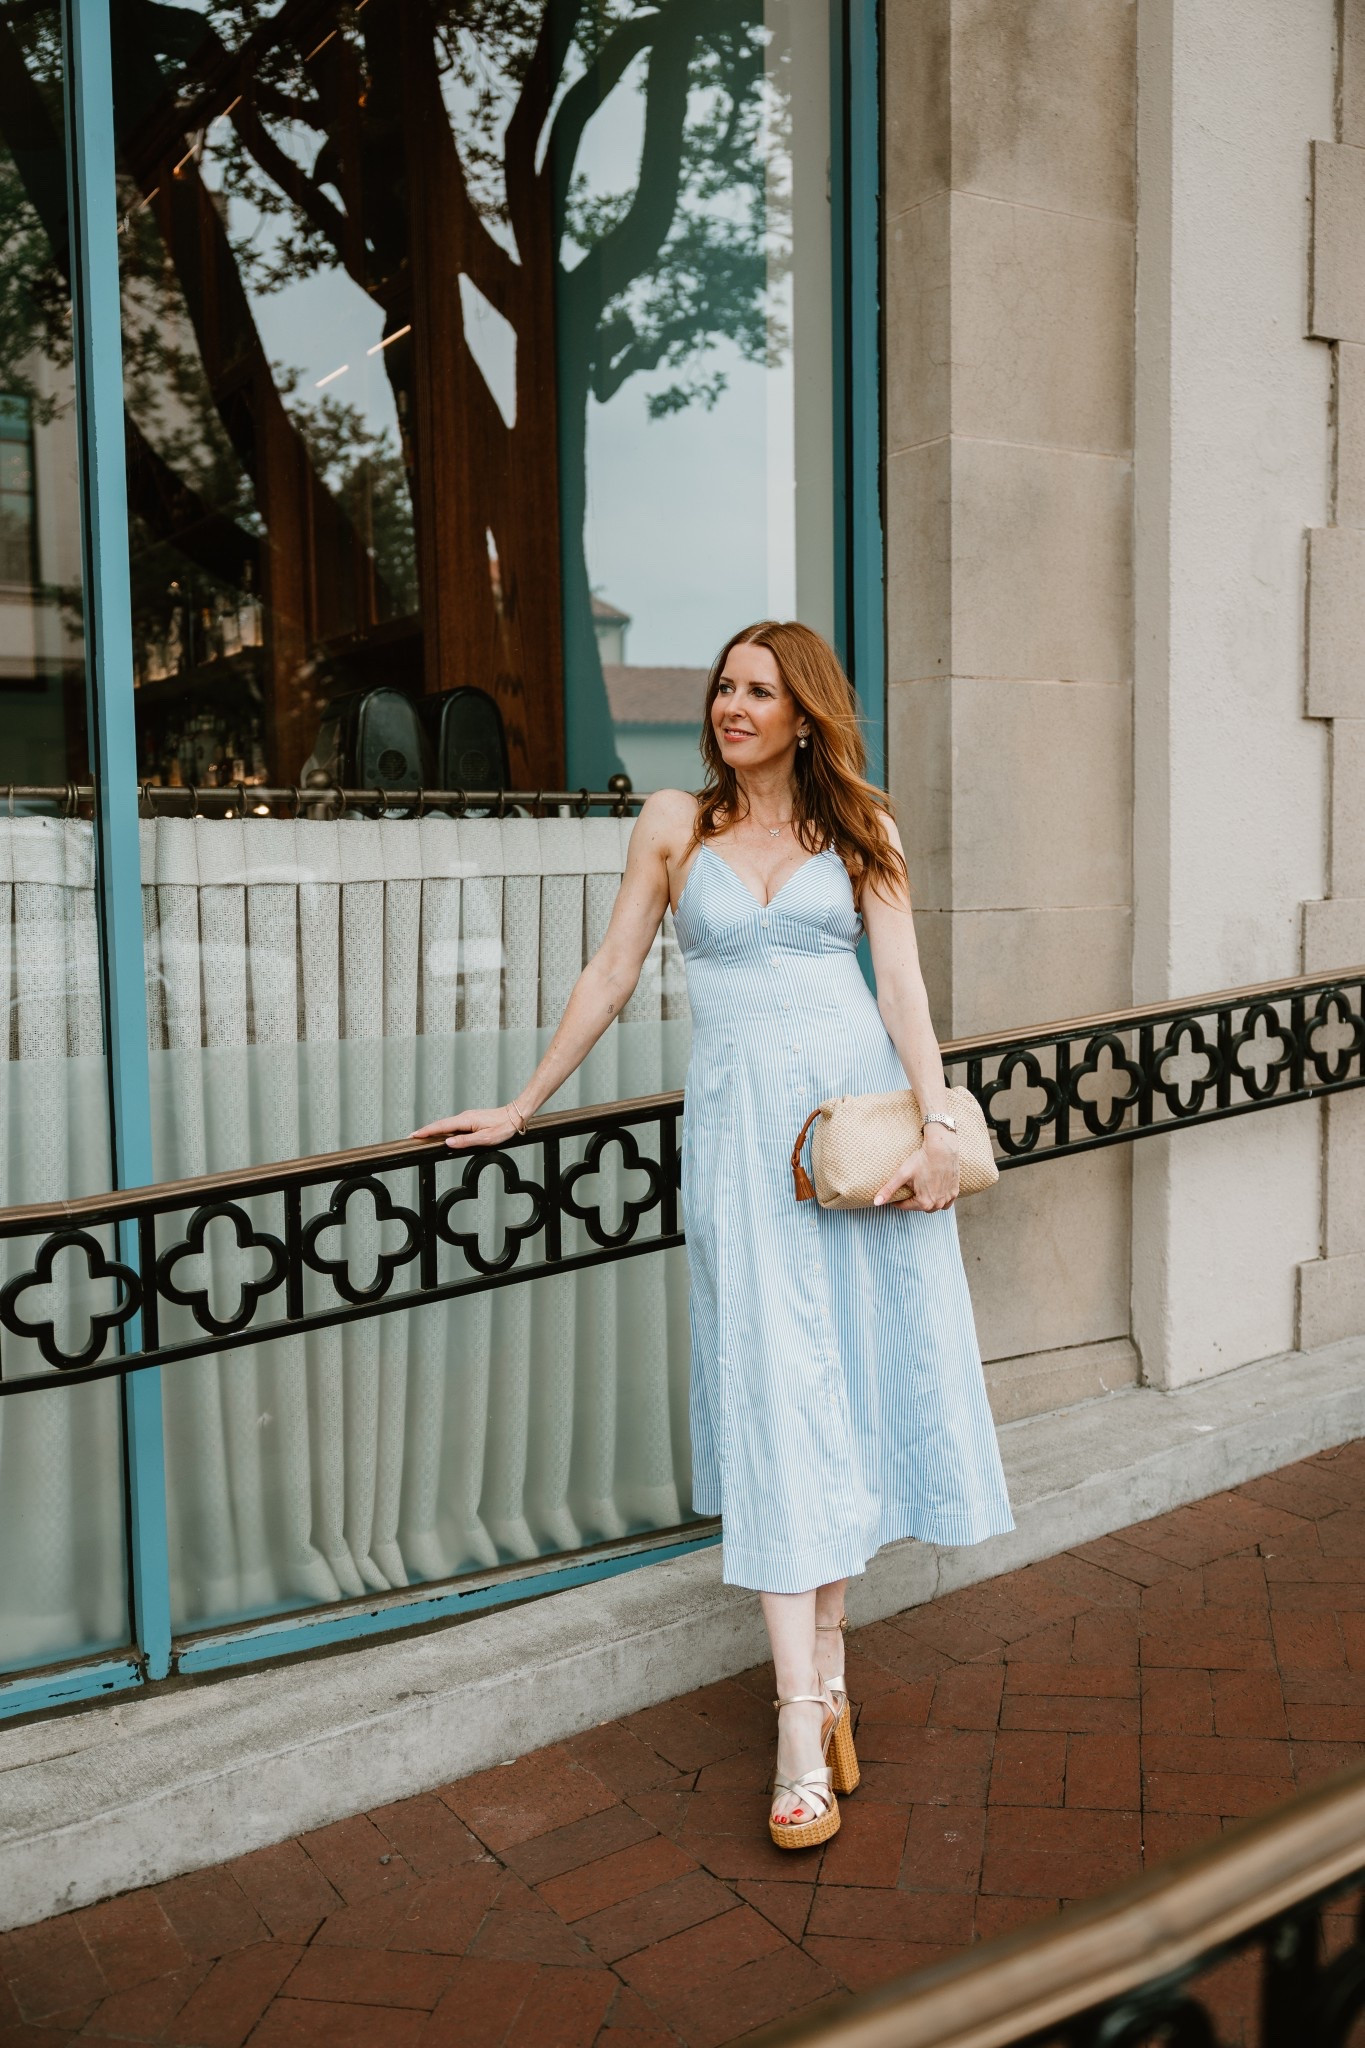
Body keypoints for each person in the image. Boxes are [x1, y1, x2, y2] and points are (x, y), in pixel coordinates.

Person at [415, 620, 1013, 1849]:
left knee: (839, 1400)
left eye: (760, 690)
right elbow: (610, 972)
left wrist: (940, 1127)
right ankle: (803, 1714)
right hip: (746, 1154)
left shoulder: (863, 826)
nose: (733, 705)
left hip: (861, 1144)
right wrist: (522, 1104)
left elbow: (903, 987)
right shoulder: (674, 824)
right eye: (724, 687)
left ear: (805, 712)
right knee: (778, 1405)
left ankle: (824, 1680)